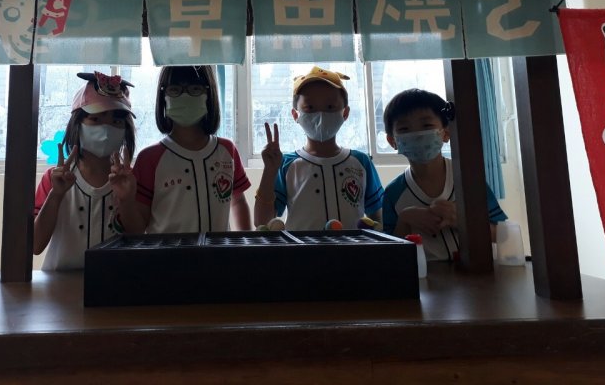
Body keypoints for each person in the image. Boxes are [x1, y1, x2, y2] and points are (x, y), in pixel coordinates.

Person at [111, 65, 252, 234]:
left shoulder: (227, 150)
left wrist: (246, 244)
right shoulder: (149, 158)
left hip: (219, 251)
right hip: (167, 252)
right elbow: (137, 229)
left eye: (195, 89)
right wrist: (126, 201)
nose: (185, 96)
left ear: (209, 94)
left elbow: (238, 202)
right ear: (163, 96)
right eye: (175, 89)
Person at [381, 88, 508, 262]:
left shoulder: (469, 179)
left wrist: (462, 219)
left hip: (479, 274)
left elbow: (503, 235)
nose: (416, 135)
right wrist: (404, 219)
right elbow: (389, 254)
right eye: (404, 129)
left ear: (446, 133)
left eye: (426, 126)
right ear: (392, 141)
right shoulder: (393, 194)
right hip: (427, 278)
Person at [254, 66, 384, 231]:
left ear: (345, 113)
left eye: (330, 107)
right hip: (301, 248)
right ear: (295, 115)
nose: (321, 114)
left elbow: (378, 219)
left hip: (354, 249)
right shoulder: (286, 164)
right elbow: (261, 221)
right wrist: (269, 171)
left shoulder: (361, 161)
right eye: (310, 107)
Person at [33, 71, 138, 270]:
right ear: (77, 124)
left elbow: (137, 239)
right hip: (59, 284)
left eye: (116, 122)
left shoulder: (129, 180)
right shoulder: (54, 178)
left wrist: (126, 201)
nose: (106, 129)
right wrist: (56, 195)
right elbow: (35, 245)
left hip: (115, 282)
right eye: (95, 119)